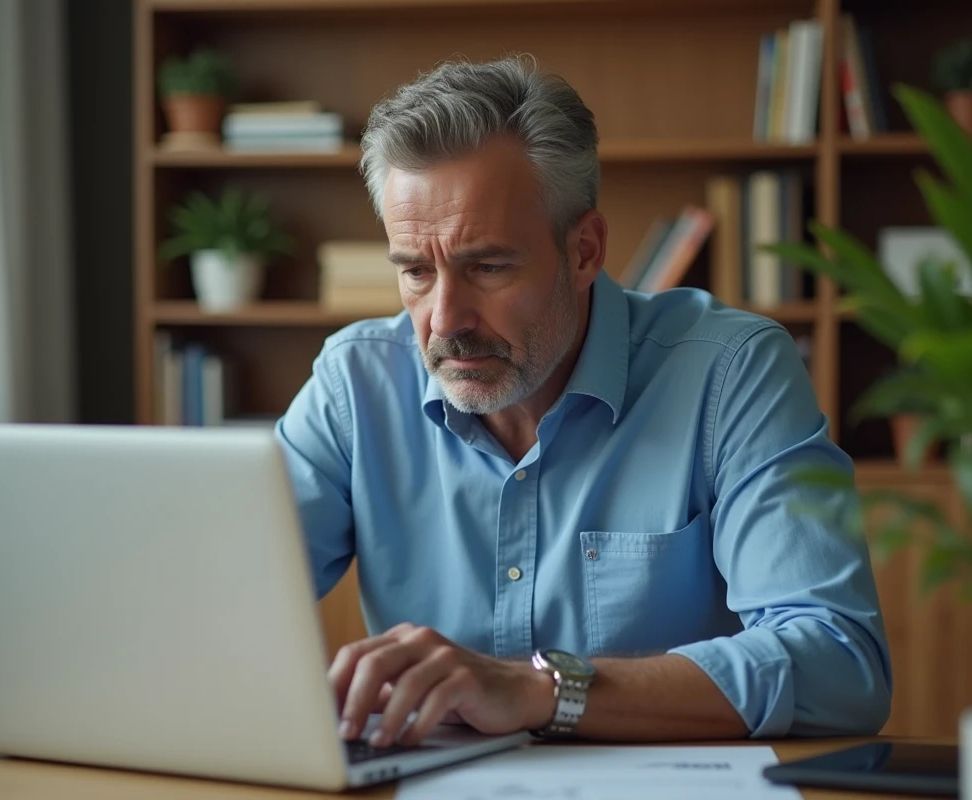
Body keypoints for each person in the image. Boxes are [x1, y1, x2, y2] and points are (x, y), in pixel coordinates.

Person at [275, 55, 891, 749]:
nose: (445, 320)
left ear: (585, 251)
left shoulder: (730, 374)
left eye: (488, 266)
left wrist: (538, 691)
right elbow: (209, 600)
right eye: (416, 271)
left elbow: (841, 665)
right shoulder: (355, 384)